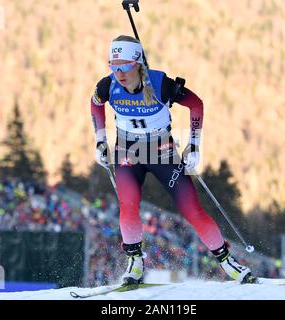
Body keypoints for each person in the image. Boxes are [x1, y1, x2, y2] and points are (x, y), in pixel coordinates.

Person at [90, 35, 254, 284]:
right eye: (114, 67)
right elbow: (95, 104)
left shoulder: (160, 84)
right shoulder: (107, 85)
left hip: (161, 150)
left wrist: (194, 145)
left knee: (192, 209)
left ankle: (227, 261)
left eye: (124, 67)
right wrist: (100, 139)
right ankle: (134, 262)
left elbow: (196, 104)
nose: (119, 74)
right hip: (127, 150)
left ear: (138, 63)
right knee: (128, 205)